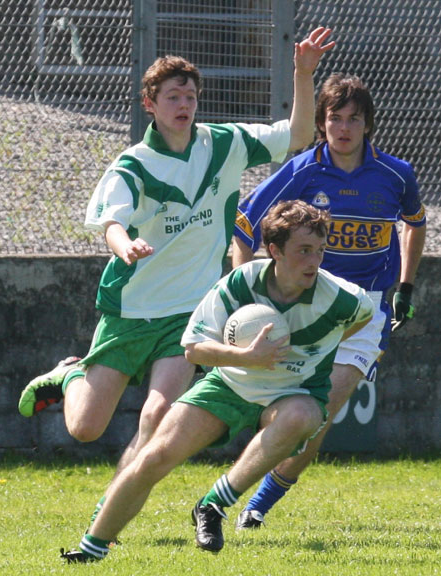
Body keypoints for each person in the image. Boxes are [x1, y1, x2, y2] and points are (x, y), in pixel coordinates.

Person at [18, 29, 335, 525]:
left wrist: (302, 75)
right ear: (151, 103)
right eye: (173, 96)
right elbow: (112, 222)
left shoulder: (223, 144)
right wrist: (127, 246)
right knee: (83, 428)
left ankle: (113, 503)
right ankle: (71, 372)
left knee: (158, 414)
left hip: (188, 309)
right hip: (131, 310)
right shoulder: (134, 165)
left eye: (190, 95)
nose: (184, 103)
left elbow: (296, 137)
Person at [60, 200, 374, 562]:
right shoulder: (241, 283)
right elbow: (193, 348)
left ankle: (213, 505)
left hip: (293, 392)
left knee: (303, 417)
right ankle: (91, 549)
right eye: (303, 251)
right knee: (154, 456)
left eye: (319, 251)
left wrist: (314, 351)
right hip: (229, 384)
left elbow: (363, 318)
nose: (314, 261)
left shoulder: (340, 297)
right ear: (274, 250)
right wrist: (245, 358)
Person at [231, 73, 427, 529]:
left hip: (366, 312)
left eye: (353, 119)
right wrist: (246, 290)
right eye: (334, 118)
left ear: (367, 124)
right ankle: (228, 494)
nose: (343, 128)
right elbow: (244, 225)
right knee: (289, 417)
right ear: (321, 123)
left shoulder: (397, 174)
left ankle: (256, 506)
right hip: (303, 309)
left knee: (318, 416)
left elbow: (414, 224)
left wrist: (406, 286)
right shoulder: (302, 171)